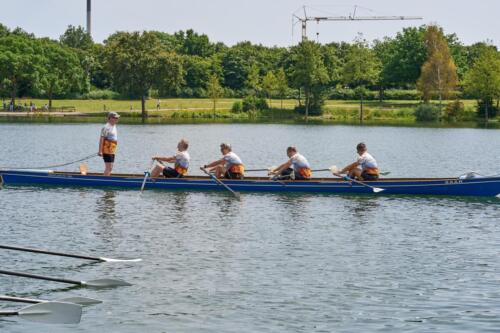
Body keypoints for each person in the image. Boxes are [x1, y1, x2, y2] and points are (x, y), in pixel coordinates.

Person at [98, 112, 120, 176]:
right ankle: (104, 181)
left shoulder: (114, 126)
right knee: (109, 167)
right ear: (110, 118)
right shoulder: (106, 127)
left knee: (110, 167)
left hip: (112, 149)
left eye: (117, 118)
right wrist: (100, 151)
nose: (117, 119)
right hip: (107, 149)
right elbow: (102, 139)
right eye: (115, 118)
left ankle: (106, 178)